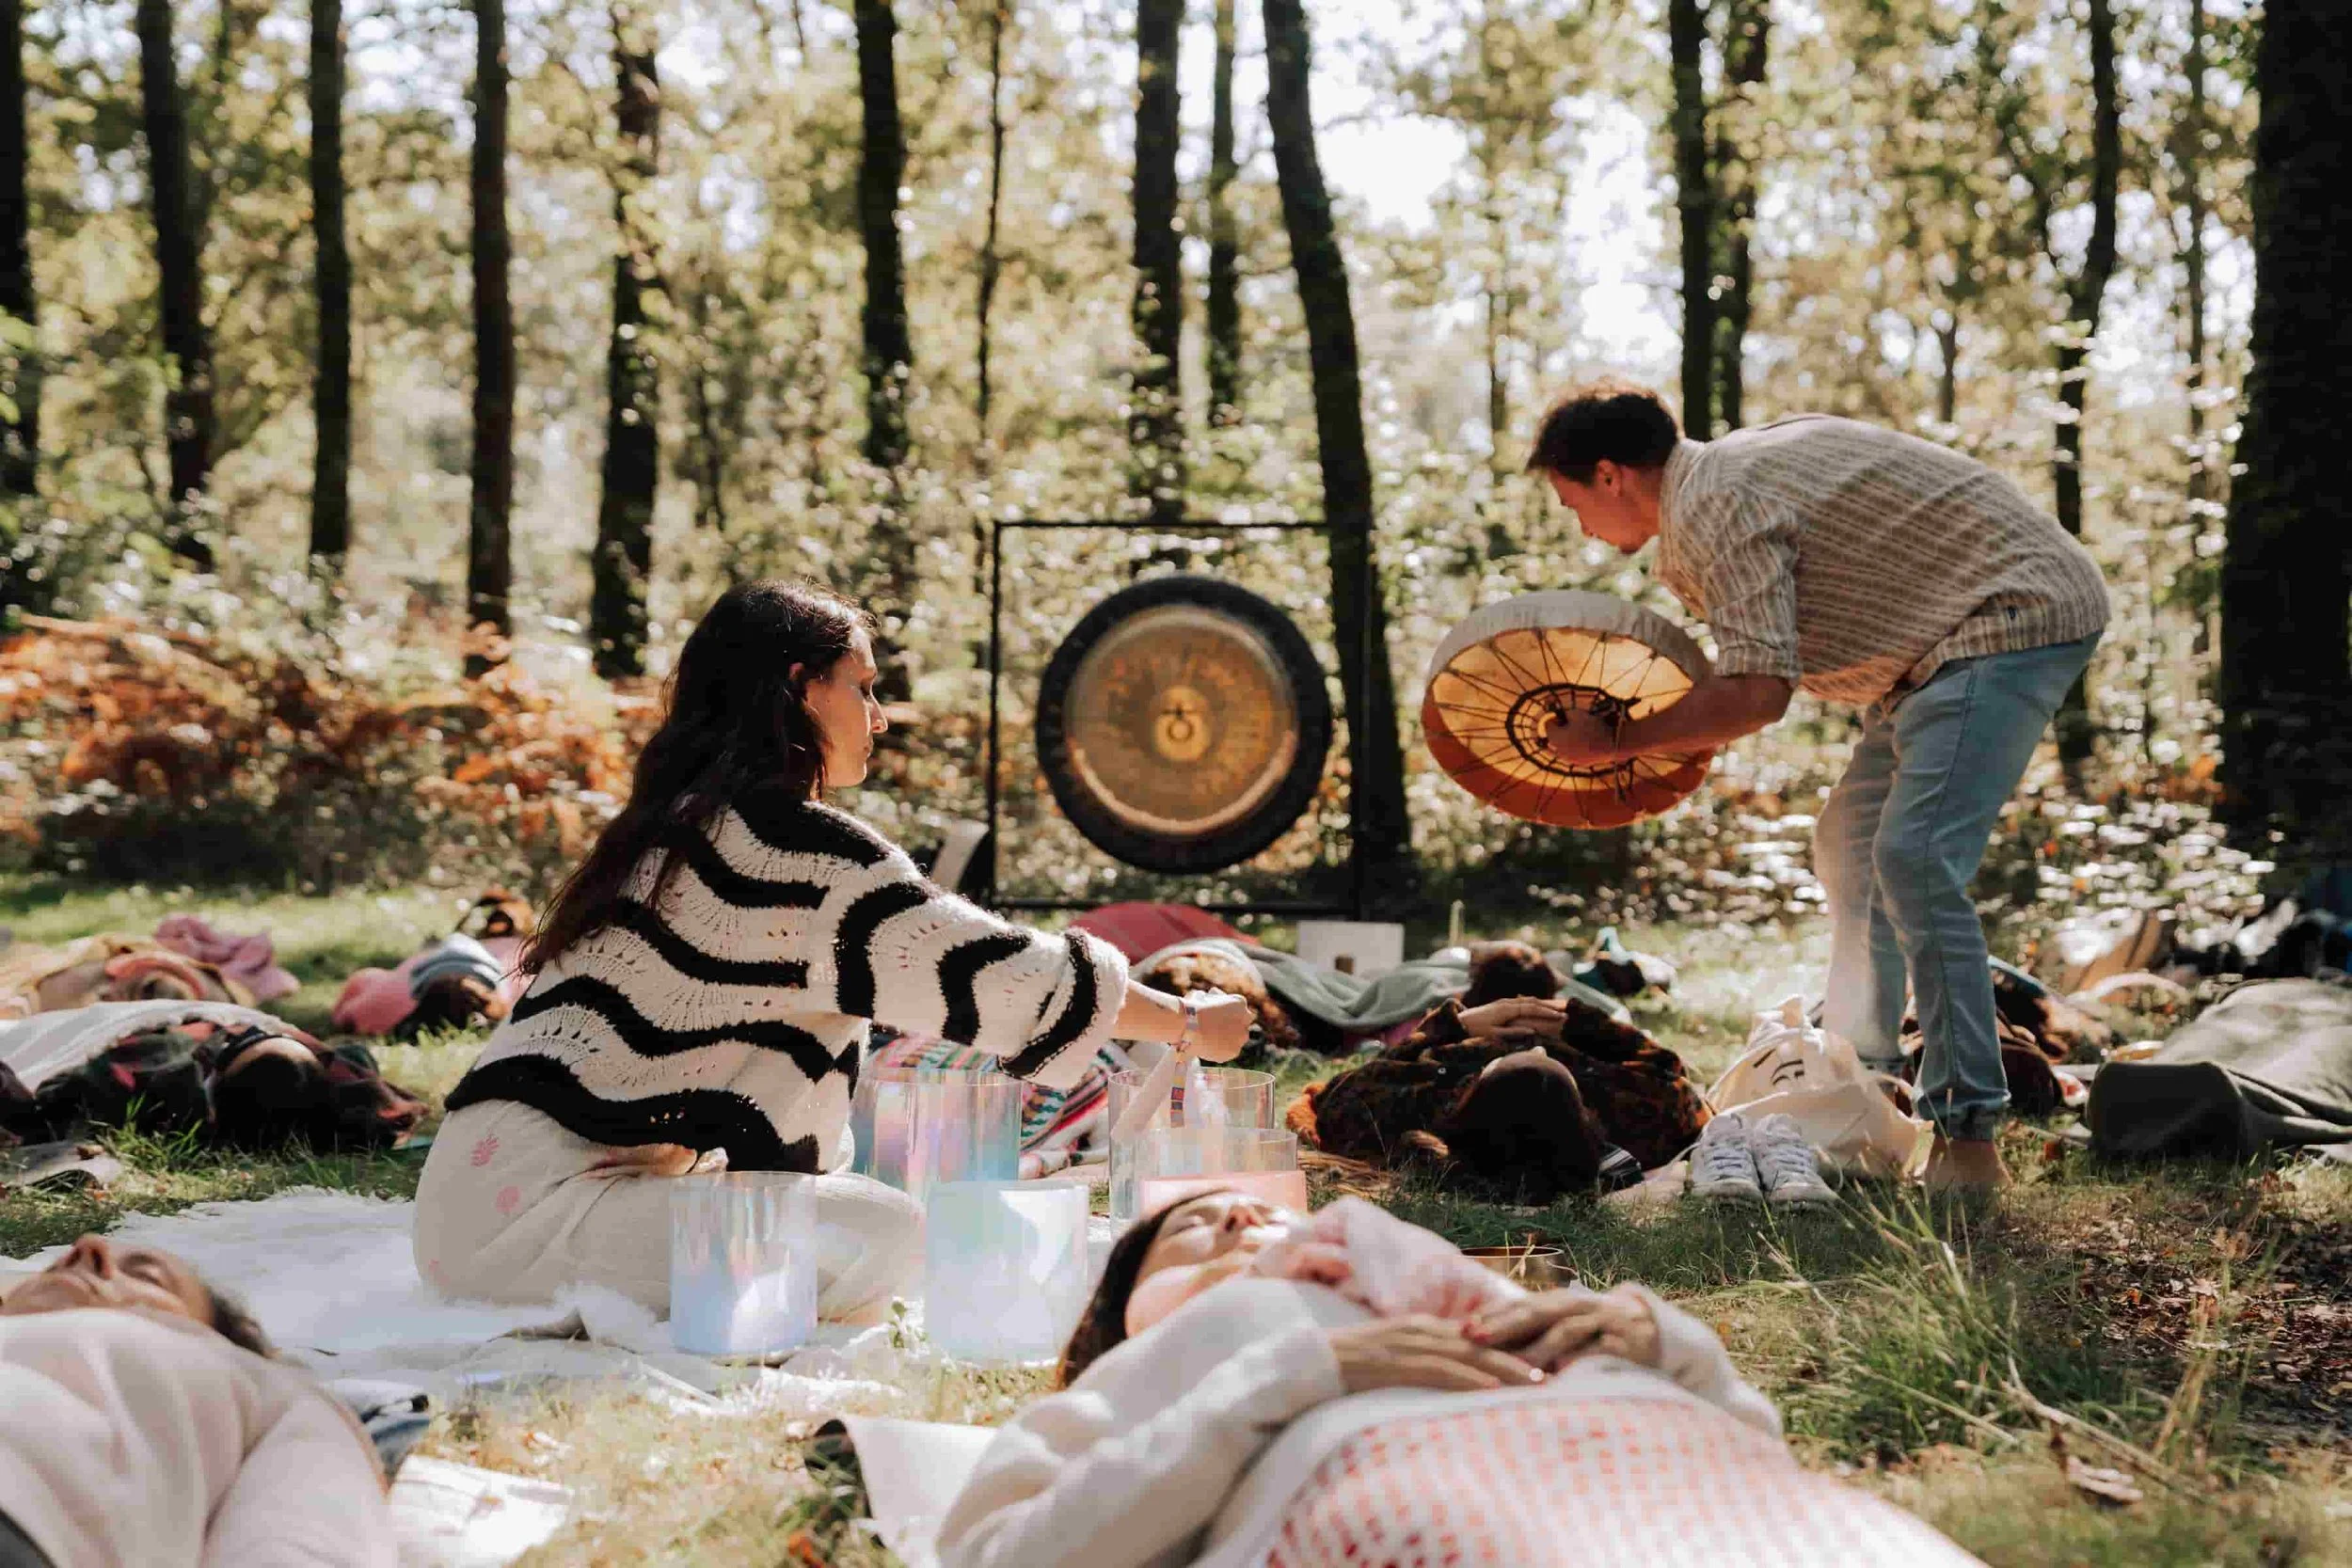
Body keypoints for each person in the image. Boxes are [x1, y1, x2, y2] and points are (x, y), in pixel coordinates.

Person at [414, 580, 1252, 1322]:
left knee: (857, 1215)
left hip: (483, 1201)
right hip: (534, 1220)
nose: (879, 716)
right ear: (798, 688)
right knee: (889, 1235)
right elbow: (1001, 974)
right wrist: (1185, 1019)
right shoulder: (791, 851)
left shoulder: (678, 827)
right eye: (862, 686)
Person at [1525, 383, 2109, 1190]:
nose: (1582, 525)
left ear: (1610, 473)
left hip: (2008, 618)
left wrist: (1616, 741)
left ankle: (1967, 1135)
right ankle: (1865, 1088)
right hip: (1925, 654)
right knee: (1849, 849)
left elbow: (1760, 692)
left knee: (1914, 859)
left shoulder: (1717, 502)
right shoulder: (1725, 476)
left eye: (1572, 501)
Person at [936, 1192, 1975, 1568]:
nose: (1247, 1222)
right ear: (1119, 1316)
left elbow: (1759, 1444)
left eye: (1264, 1213)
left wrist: (1658, 1337)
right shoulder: (1161, 1370)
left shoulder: (1438, 1279)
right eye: (1192, 1227)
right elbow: (999, 1554)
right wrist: (1291, 1372)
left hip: (1683, 1471)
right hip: (1433, 1504)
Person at [1, 1236, 392, 1568]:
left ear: (210, 1335)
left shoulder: (267, 1390)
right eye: (54, 1266)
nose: (86, 1247)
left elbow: (304, 1542)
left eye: (146, 1275)